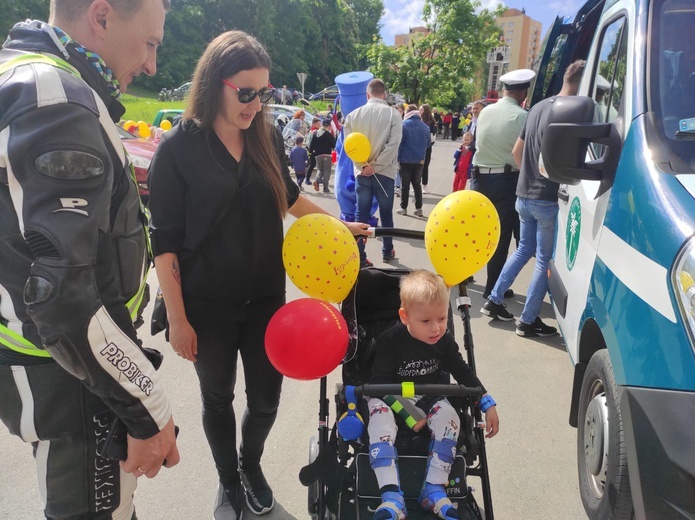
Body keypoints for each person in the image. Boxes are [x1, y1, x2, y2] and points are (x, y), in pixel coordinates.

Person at [147, 30, 370, 520]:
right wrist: (180, 321)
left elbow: (288, 198)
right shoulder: (177, 149)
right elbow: (163, 246)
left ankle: (251, 466)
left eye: (263, 93)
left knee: (266, 400)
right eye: (245, 92)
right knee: (218, 397)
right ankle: (228, 481)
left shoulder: (265, 135)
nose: (254, 104)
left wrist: (336, 224)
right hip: (207, 304)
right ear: (214, 84)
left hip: (267, 298)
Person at [0, 1, 180, 519]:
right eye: (149, 43)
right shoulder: (54, 98)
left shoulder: (28, 75)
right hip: (73, 378)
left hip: (62, 366)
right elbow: (62, 297)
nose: (151, 66)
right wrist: (148, 410)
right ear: (101, 16)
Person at [367, 270, 499, 520]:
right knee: (379, 415)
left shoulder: (444, 341)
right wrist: (409, 414)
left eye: (441, 318)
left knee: (450, 418)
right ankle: (391, 495)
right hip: (392, 398)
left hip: (430, 397)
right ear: (405, 317)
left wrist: (486, 401)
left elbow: (464, 373)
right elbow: (379, 384)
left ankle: (434, 487)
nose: (436, 327)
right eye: (426, 321)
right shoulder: (390, 341)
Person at [482, 61, 585, 336]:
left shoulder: (537, 108)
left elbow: (518, 151)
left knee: (523, 250)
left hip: (523, 193)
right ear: (582, 82)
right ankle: (528, 321)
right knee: (543, 259)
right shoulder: (574, 110)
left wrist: (529, 176)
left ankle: (493, 299)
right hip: (547, 198)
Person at [470, 68, 536, 301]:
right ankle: (492, 288)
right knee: (500, 237)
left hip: (478, 179)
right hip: (506, 180)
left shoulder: (485, 112)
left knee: (477, 232)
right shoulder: (523, 116)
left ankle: (463, 276)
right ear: (523, 93)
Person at [343, 78, 403, 267]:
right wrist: (376, 166)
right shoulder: (394, 115)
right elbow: (393, 145)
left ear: (367, 94)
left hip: (362, 174)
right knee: (386, 215)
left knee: (361, 214)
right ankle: (387, 251)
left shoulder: (353, 116)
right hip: (384, 173)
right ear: (383, 94)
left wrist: (363, 166)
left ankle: (359, 255)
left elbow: (349, 146)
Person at [396, 105, 430, 218]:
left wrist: (397, 158)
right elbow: (428, 144)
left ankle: (403, 207)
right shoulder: (425, 127)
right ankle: (418, 208)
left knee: (404, 185)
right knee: (417, 184)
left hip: (405, 159)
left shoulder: (404, 125)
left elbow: (400, 143)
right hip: (419, 160)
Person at [310, 117, 336, 193]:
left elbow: (312, 144)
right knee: (327, 171)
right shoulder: (329, 135)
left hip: (317, 155)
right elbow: (333, 145)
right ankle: (325, 188)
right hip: (327, 155)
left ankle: (316, 181)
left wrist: (310, 153)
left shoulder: (315, 133)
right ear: (328, 126)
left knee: (320, 169)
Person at [419, 103, 437, 194]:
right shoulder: (418, 120)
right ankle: (416, 184)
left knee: (425, 166)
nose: (420, 111)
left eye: (421, 110)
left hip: (427, 147)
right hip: (417, 146)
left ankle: (424, 185)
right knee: (417, 166)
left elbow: (433, 135)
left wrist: (428, 143)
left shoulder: (431, 122)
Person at [305, 116, 322, 185]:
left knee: (314, 165)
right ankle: (307, 179)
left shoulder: (311, 130)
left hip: (311, 150)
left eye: (320, 124)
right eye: (318, 124)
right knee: (312, 165)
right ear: (314, 124)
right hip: (314, 151)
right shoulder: (315, 131)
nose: (320, 125)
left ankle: (318, 178)